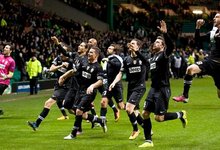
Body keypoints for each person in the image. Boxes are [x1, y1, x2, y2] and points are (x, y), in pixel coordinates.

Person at [138, 20, 187, 148]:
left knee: (159, 118)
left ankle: (181, 114)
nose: (155, 43)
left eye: (158, 42)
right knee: (145, 114)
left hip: (162, 89)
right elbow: (146, 62)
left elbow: (171, 46)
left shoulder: (164, 55)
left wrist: (165, 34)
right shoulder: (153, 57)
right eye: (155, 41)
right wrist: (137, 52)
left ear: (163, 46)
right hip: (153, 89)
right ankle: (148, 141)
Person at [173, 13, 220, 103]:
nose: (214, 18)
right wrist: (198, 27)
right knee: (190, 69)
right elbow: (198, 40)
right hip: (210, 62)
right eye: (214, 17)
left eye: (217, 17)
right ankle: (185, 96)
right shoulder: (213, 33)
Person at [62, 46, 107, 140]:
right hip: (80, 90)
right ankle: (100, 121)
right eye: (89, 52)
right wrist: (64, 76)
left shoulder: (98, 67)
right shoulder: (84, 63)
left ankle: (73, 134)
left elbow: (101, 81)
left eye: (91, 52)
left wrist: (92, 86)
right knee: (82, 115)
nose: (89, 54)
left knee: (78, 111)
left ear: (96, 55)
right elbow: (75, 71)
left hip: (89, 92)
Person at [123, 38, 149, 140]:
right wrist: (115, 82)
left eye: (133, 44)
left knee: (128, 109)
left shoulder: (143, 58)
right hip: (130, 88)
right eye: (130, 43)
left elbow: (146, 62)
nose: (131, 45)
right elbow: (121, 72)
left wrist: (136, 51)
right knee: (136, 112)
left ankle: (135, 130)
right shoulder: (126, 59)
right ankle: (147, 129)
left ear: (138, 46)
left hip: (140, 87)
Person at [100, 44, 124, 123]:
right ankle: (102, 121)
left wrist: (108, 61)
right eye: (108, 47)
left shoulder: (117, 58)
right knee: (103, 102)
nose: (108, 49)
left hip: (116, 85)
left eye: (110, 48)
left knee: (121, 106)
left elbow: (118, 66)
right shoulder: (109, 58)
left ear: (114, 51)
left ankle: (133, 106)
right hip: (108, 85)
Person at [0, 44, 16, 115]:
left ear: (10, 51)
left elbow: (11, 74)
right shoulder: (0, 56)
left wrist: (5, 76)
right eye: (4, 47)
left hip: (3, 82)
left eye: (6, 48)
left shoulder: (11, 61)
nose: (4, 49)